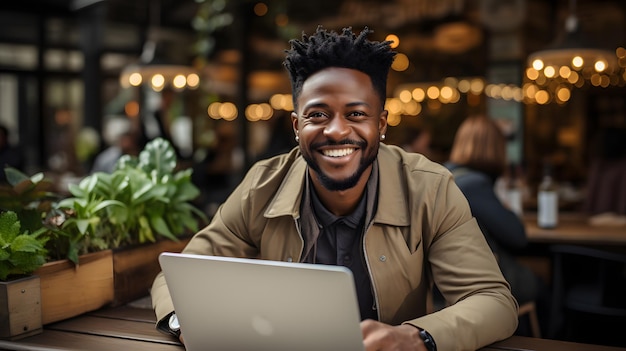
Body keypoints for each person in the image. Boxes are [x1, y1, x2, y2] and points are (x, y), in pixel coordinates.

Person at [151, 27, 518, 351]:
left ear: (382, 123)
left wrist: (415, 337)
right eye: (318, 115)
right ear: (296, 126)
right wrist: (184, 322)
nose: (337, 131)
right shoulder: (262, 186)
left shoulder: (430, 189)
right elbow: (177, 276)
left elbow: (492, 301)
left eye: (356, 114)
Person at [444, 115, 544, 329]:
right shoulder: (474, 184)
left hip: (446, 283)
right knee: (542, 281)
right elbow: (518, 237)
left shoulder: (445, 176)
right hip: (481, 283)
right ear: (496, 148)